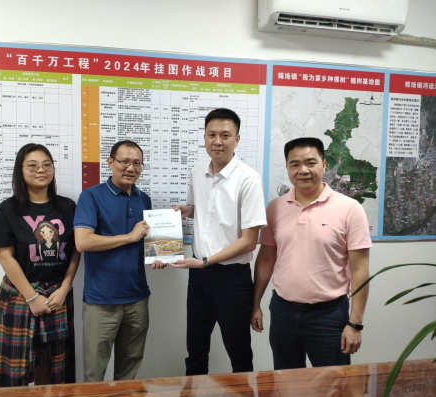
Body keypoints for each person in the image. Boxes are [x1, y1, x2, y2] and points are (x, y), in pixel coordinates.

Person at [252, 137, 372, 370]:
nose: (303, 170)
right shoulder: (274, 208)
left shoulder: (350, 209)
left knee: (333, 386)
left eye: (310, 163)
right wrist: (255, 303)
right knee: (287, 384)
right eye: (295, 164)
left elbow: (360, 270)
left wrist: (355, 324)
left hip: (329, 316)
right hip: (283, 312)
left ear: (324, 165)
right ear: (287, 168)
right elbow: (266, 259)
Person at [169, 108, 268, 376]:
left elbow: (249, 242)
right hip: (199, 278)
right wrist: (189, 210)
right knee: (195, 350)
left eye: (225, 135)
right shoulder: (197, 172)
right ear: (204, 137)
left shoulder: (248, 179)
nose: (217, 141)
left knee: (239, 353)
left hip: (232, 279)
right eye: (211, 135)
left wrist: (204, 261)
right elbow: (205, 209)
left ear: (237, 139)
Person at [0, 143, 80, 388]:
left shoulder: (68, 207)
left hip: (57, 296)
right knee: (14, 370)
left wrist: (65, 288)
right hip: (19, 296)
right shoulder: (7, 209)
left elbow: (75, 251)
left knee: (53, 370)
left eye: (47, 165)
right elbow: (5, 256)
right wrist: (31, 297)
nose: (41, 170)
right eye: (33, 165)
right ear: (20, 170)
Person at [74, 140, 164, 382]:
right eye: (124, 162)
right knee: (94, 375)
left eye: (137, 163)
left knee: (129, 374)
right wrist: (129, 237)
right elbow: (82, 242)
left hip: (137, 299)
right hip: (101, 300)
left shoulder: (144, 199)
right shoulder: (91, 196)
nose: (131, 168)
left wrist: (158, 256)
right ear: (110, 162)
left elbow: (145, 242)